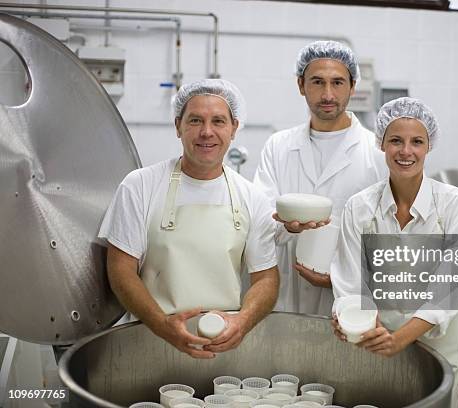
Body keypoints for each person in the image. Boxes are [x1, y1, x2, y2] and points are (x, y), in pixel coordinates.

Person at [98, 79, 279, 359]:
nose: (207, 132)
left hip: (222, 346)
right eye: (195, 120)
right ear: (178, 127)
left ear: (234, 129)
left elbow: (266, 277)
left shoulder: (251, 198)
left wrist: (242, 322)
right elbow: (120, 269)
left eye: (218, 121)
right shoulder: (140, 185)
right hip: (149, 340)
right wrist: (162, 325)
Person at [331, 97, 458, 408]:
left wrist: (400, 338)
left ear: (428, 147)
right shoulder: (360, 207)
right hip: (376, 341)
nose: (406, 151)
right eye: (396, 140)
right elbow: (349, 280)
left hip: (439, 343)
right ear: (382, 144)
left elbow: (449, 287)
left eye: (417, 142)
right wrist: (350, 319)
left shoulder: (457, 205)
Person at [254, 40, 387, 316]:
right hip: (287, 294)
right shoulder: (278, 146)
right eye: (317, 82)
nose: (328, 94)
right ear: (301, 85)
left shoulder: (378, 151)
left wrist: (344, 280)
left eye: (338, 83)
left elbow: (390, 236)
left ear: (353, 86)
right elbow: (260, 218)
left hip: (348, 299)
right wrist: (288, 228)